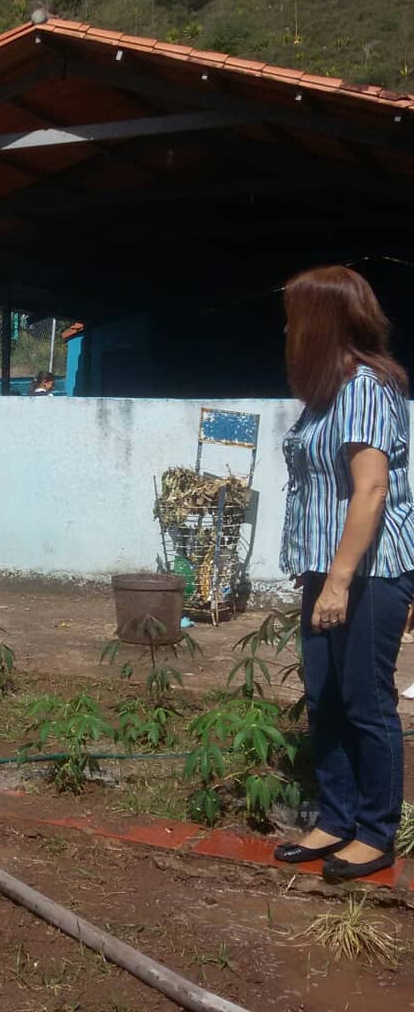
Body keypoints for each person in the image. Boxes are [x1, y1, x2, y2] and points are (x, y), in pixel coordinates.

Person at [272, 265, 414, 881]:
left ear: (321, 323)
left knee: (364, 699)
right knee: (325, 698)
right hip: (325, 569)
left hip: (369, 575)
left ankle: (376, 833)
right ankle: (335, 817)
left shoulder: (363, 389)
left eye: (293, 318)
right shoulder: (328, 395)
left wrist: (338, 582)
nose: (286, 330)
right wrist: (320, 577)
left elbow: (372, 490)